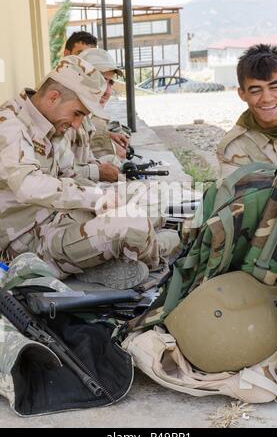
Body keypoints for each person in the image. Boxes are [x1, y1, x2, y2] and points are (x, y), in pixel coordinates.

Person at [0, 56, 172, 279]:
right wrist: (96, 198)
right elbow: (28, 185)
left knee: (151, 194)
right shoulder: (9, 125)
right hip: (25, 245)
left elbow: (70, 173)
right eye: (77, 113)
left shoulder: (51, 124)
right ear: (53, 97)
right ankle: (156, 258)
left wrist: (113, 196)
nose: (77, 124)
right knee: (133, 224)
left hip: (59, 217)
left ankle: (119, 254)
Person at [217, 44, 277, 178]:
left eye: (274, 87)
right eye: (256, 91)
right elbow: (239, 197)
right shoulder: (234, 146)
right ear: (242, 94)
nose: (267, 98)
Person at [64, 31, 129, 161]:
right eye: (100, 81)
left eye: (110, 83)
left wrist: (109, 135)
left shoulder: (85, 109)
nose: (107, 91)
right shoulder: (64, 107)